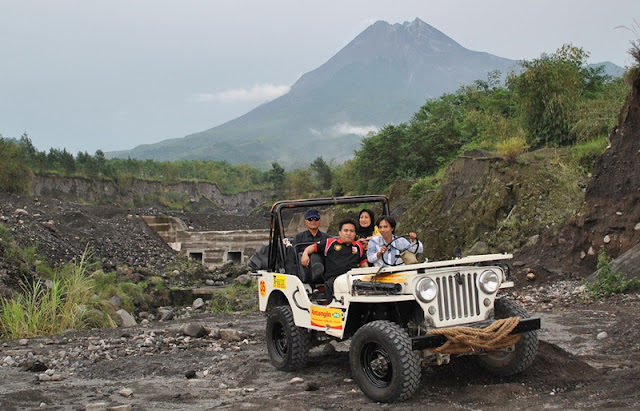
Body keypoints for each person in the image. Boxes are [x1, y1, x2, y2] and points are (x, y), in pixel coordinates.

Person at [301, 218, 368, 300]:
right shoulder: (330, 243)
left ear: (355, 234)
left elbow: (364, 265)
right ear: (340, 232)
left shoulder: (358, 246)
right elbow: (312, 247)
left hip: (352, 278)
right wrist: (305, 254)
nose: (348, 233)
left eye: (351, 231)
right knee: (329, 286)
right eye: (345, 231)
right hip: (334, 279)